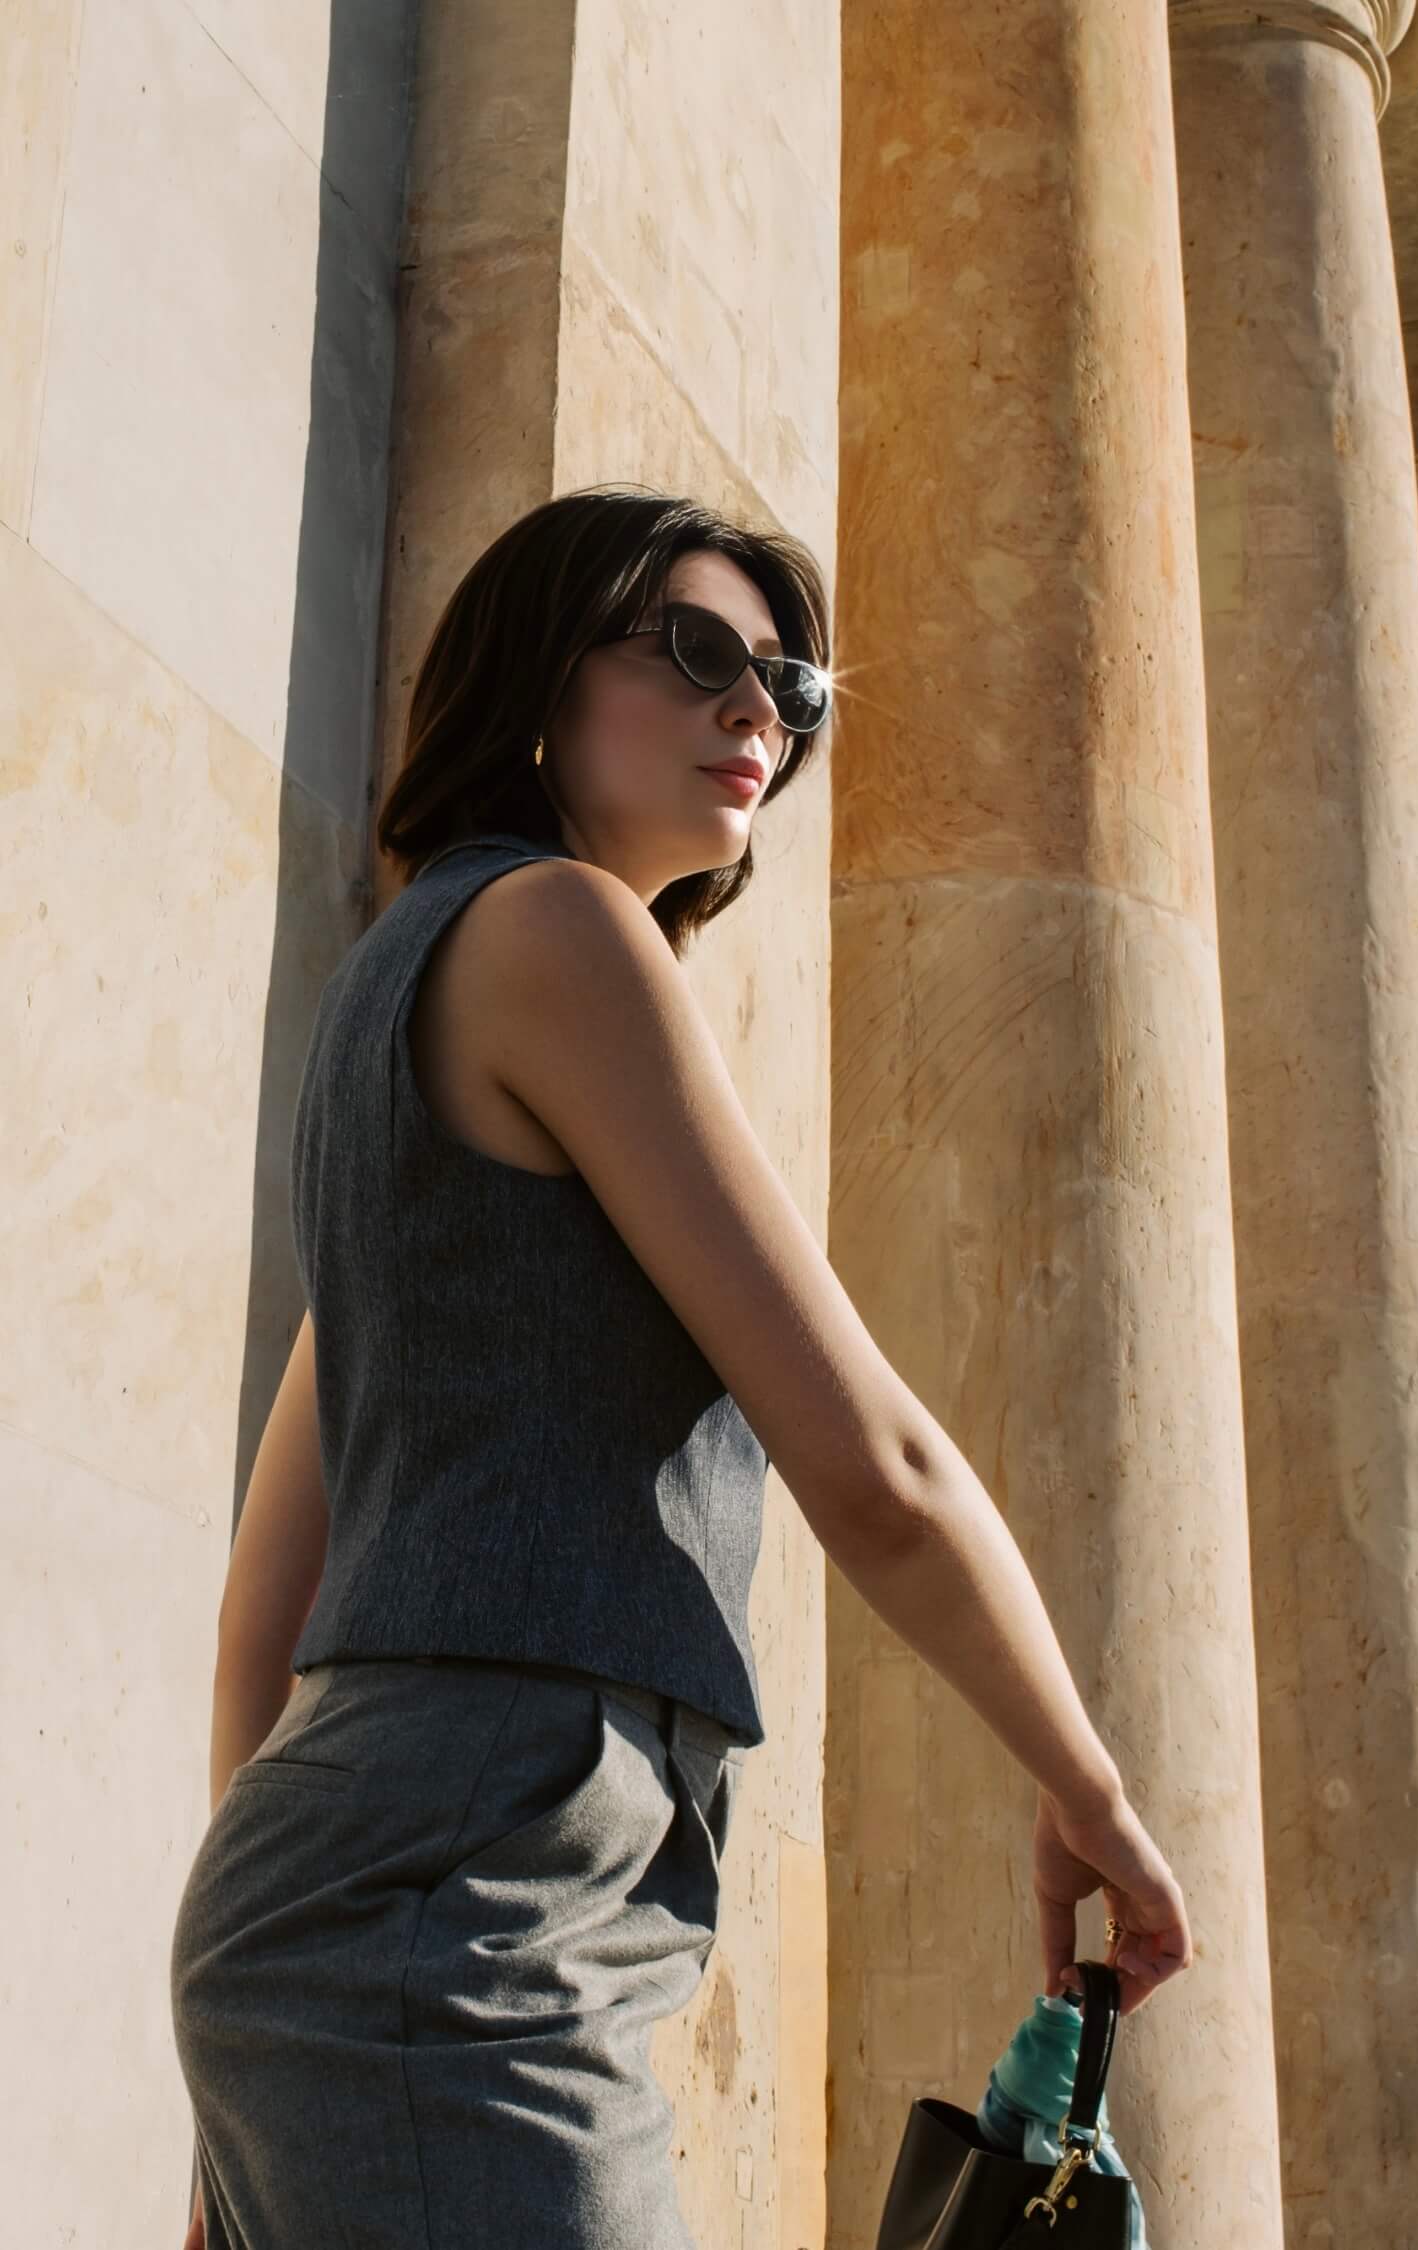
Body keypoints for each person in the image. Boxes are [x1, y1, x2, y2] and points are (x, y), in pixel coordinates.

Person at [169, 486, 1192, 2249]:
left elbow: (271, 1610)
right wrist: (1081, 1782)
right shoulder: (563, 933)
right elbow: (872, 1457)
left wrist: (239, 2110)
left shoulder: (410, 1002)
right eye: (701, 653)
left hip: (385, 1927)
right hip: (460, 1928)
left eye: (791, 691)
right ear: (535, 684)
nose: (757, 714)